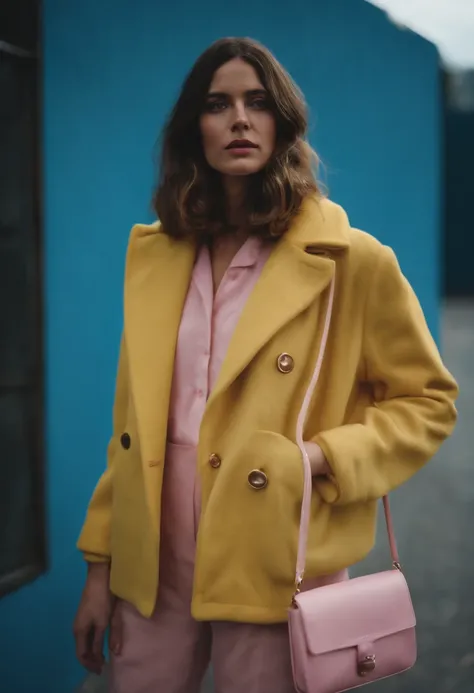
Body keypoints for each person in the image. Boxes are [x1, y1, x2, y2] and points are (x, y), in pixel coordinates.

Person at [73, 37, 458, 693]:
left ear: (282, 120)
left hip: (277, 552)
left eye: (257, 102)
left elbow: (428, 400)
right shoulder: (156, 258)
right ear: (194, 127)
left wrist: (317, 459)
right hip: (152, 560)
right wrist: (100, 567)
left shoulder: (351, 261)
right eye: (218, 104)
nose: (240, 119)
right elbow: (130, 431)